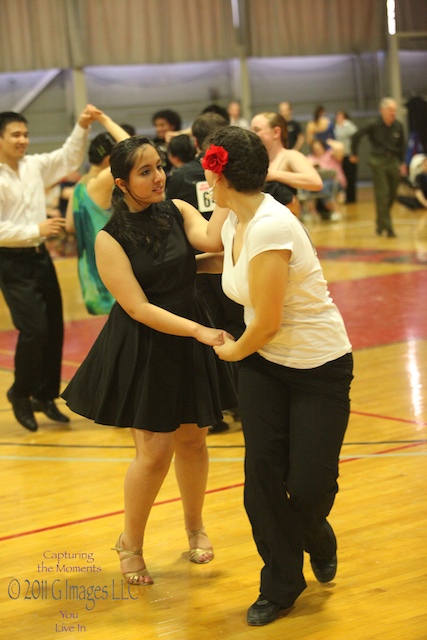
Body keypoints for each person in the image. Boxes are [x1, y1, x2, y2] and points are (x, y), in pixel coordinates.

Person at [61, 135, 237, 585]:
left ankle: (195, 527)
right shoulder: (108, 238)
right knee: (155, 452)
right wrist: (199, 330)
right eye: (145, 172)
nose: (158, 176)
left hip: (188, 333)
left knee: (194, 441)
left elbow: (212, 237)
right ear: (121, 183)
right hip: (147, 342)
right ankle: (130, 543)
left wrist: (220, 182)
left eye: (159, 167)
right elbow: (138, 308)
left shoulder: (178, 210)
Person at [199, 127, 353, 626]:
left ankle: (316, 531)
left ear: (218, 173)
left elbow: (265, 323)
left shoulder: (270, 225)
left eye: (208, 166)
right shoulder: (233, 220)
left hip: (317, 367)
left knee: (308, 487)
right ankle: (282, 584)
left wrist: (231, 352)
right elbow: (216, 255)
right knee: (261, 479)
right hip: (266, 366)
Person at [0, 105, 98, 432]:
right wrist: (34, 230)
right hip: (11, 261)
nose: (23, 140)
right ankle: (20, 392)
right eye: (15, 134)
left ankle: (46, 396)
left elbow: (68, 158)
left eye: (26, 134)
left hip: (40, 257)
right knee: (35, 329)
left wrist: (82, 125)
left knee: (54, 327)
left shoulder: (33, 166)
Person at [166, 112, 244, 433]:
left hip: (200, 267)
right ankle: (243, 403)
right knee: (240, 326)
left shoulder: (179, 178)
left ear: (196, 142)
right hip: (234, 261)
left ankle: (217, 409)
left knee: (210, 332)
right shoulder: (239, 173)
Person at [65, 112, 131, 315]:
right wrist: (105, 120)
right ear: (110, 159)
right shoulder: (100, 182)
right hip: (109, 273)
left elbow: (69, 226)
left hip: (89, 277)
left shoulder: (79, 186)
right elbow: (132, 147)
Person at [350, 97, 406, 237]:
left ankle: (381, 222)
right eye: (390, 110)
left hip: (393, 160)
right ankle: (389, 228)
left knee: (393, 194)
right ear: (382, 111)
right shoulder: (374, 124)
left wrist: (403, 162)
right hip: (378, 161)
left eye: (394, 110)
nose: (393, 113)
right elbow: (356, 136)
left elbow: (402, 145)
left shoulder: (398, 125)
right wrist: (354, 153)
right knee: (382, 195)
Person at [250, 112, 323, 216]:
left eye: (257, 130)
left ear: (276, 132)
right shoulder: (255, 161)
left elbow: (315, 182)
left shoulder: (290, 155)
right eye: (251, 130)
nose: (252, 134)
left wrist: (273, 175)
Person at [305, 138, 346, 221]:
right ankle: (312, 213)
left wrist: (331, 142)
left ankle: (336, 211)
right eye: (315, 149)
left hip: (335, 182)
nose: (317, 150)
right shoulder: (310, 158)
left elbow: (340, 148)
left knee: (324, 186)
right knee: (308, 188)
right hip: (317, 182)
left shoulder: (331, 154)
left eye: (319, 148)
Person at [334, 110, 358, 203]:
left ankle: (351, 198)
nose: (339, 118)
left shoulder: (349, 126)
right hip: (339, 157)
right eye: (338, 116)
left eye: (341, 116)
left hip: (349, 154)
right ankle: (343, 197)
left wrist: (354, 153)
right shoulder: (335, 127)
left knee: (350, 177)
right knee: (341, 177)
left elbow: (355, 139)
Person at [151, 108, 182, 175]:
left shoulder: (183, 143)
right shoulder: (153, 144)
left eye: (162, 125)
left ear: (173, 126)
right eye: (156, 125)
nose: (158, 129)